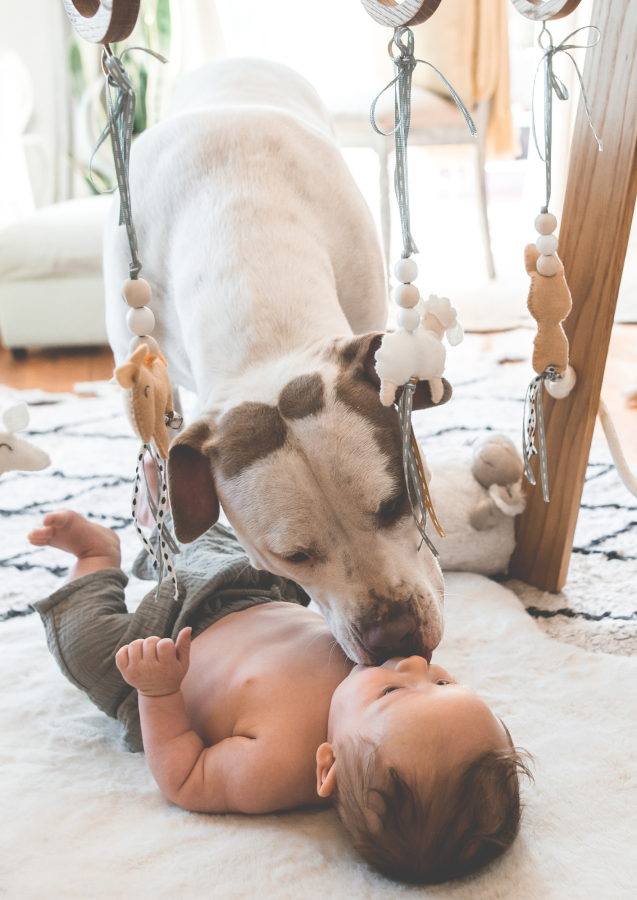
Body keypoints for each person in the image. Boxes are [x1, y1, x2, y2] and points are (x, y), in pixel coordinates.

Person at [29, 509, 531, 884]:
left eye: (394, 690)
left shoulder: (274, 768)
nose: (416, 665)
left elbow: (184, 777)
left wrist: (158, 691)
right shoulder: (384, 690)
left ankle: (96, 559)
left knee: (85, 645)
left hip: (157, 648)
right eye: (445, 683)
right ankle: (166, 511)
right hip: (251, 593)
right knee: (227, 540)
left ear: (327, 766)